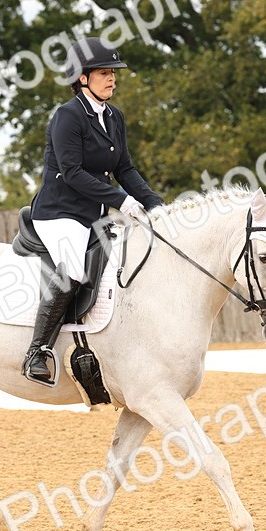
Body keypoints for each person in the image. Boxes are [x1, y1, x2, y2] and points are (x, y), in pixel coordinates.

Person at [22, 37, 165, 385]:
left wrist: (154, 204)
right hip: (59, 213)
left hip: (94, 215)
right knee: (73, 268)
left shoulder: (114, 117)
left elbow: (125, 169)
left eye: (113, 73)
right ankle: (37, 351)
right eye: (104, 73)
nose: (112, 79)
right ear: (82, 78)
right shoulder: (67, 117)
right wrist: (122, 201)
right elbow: (72, 173)